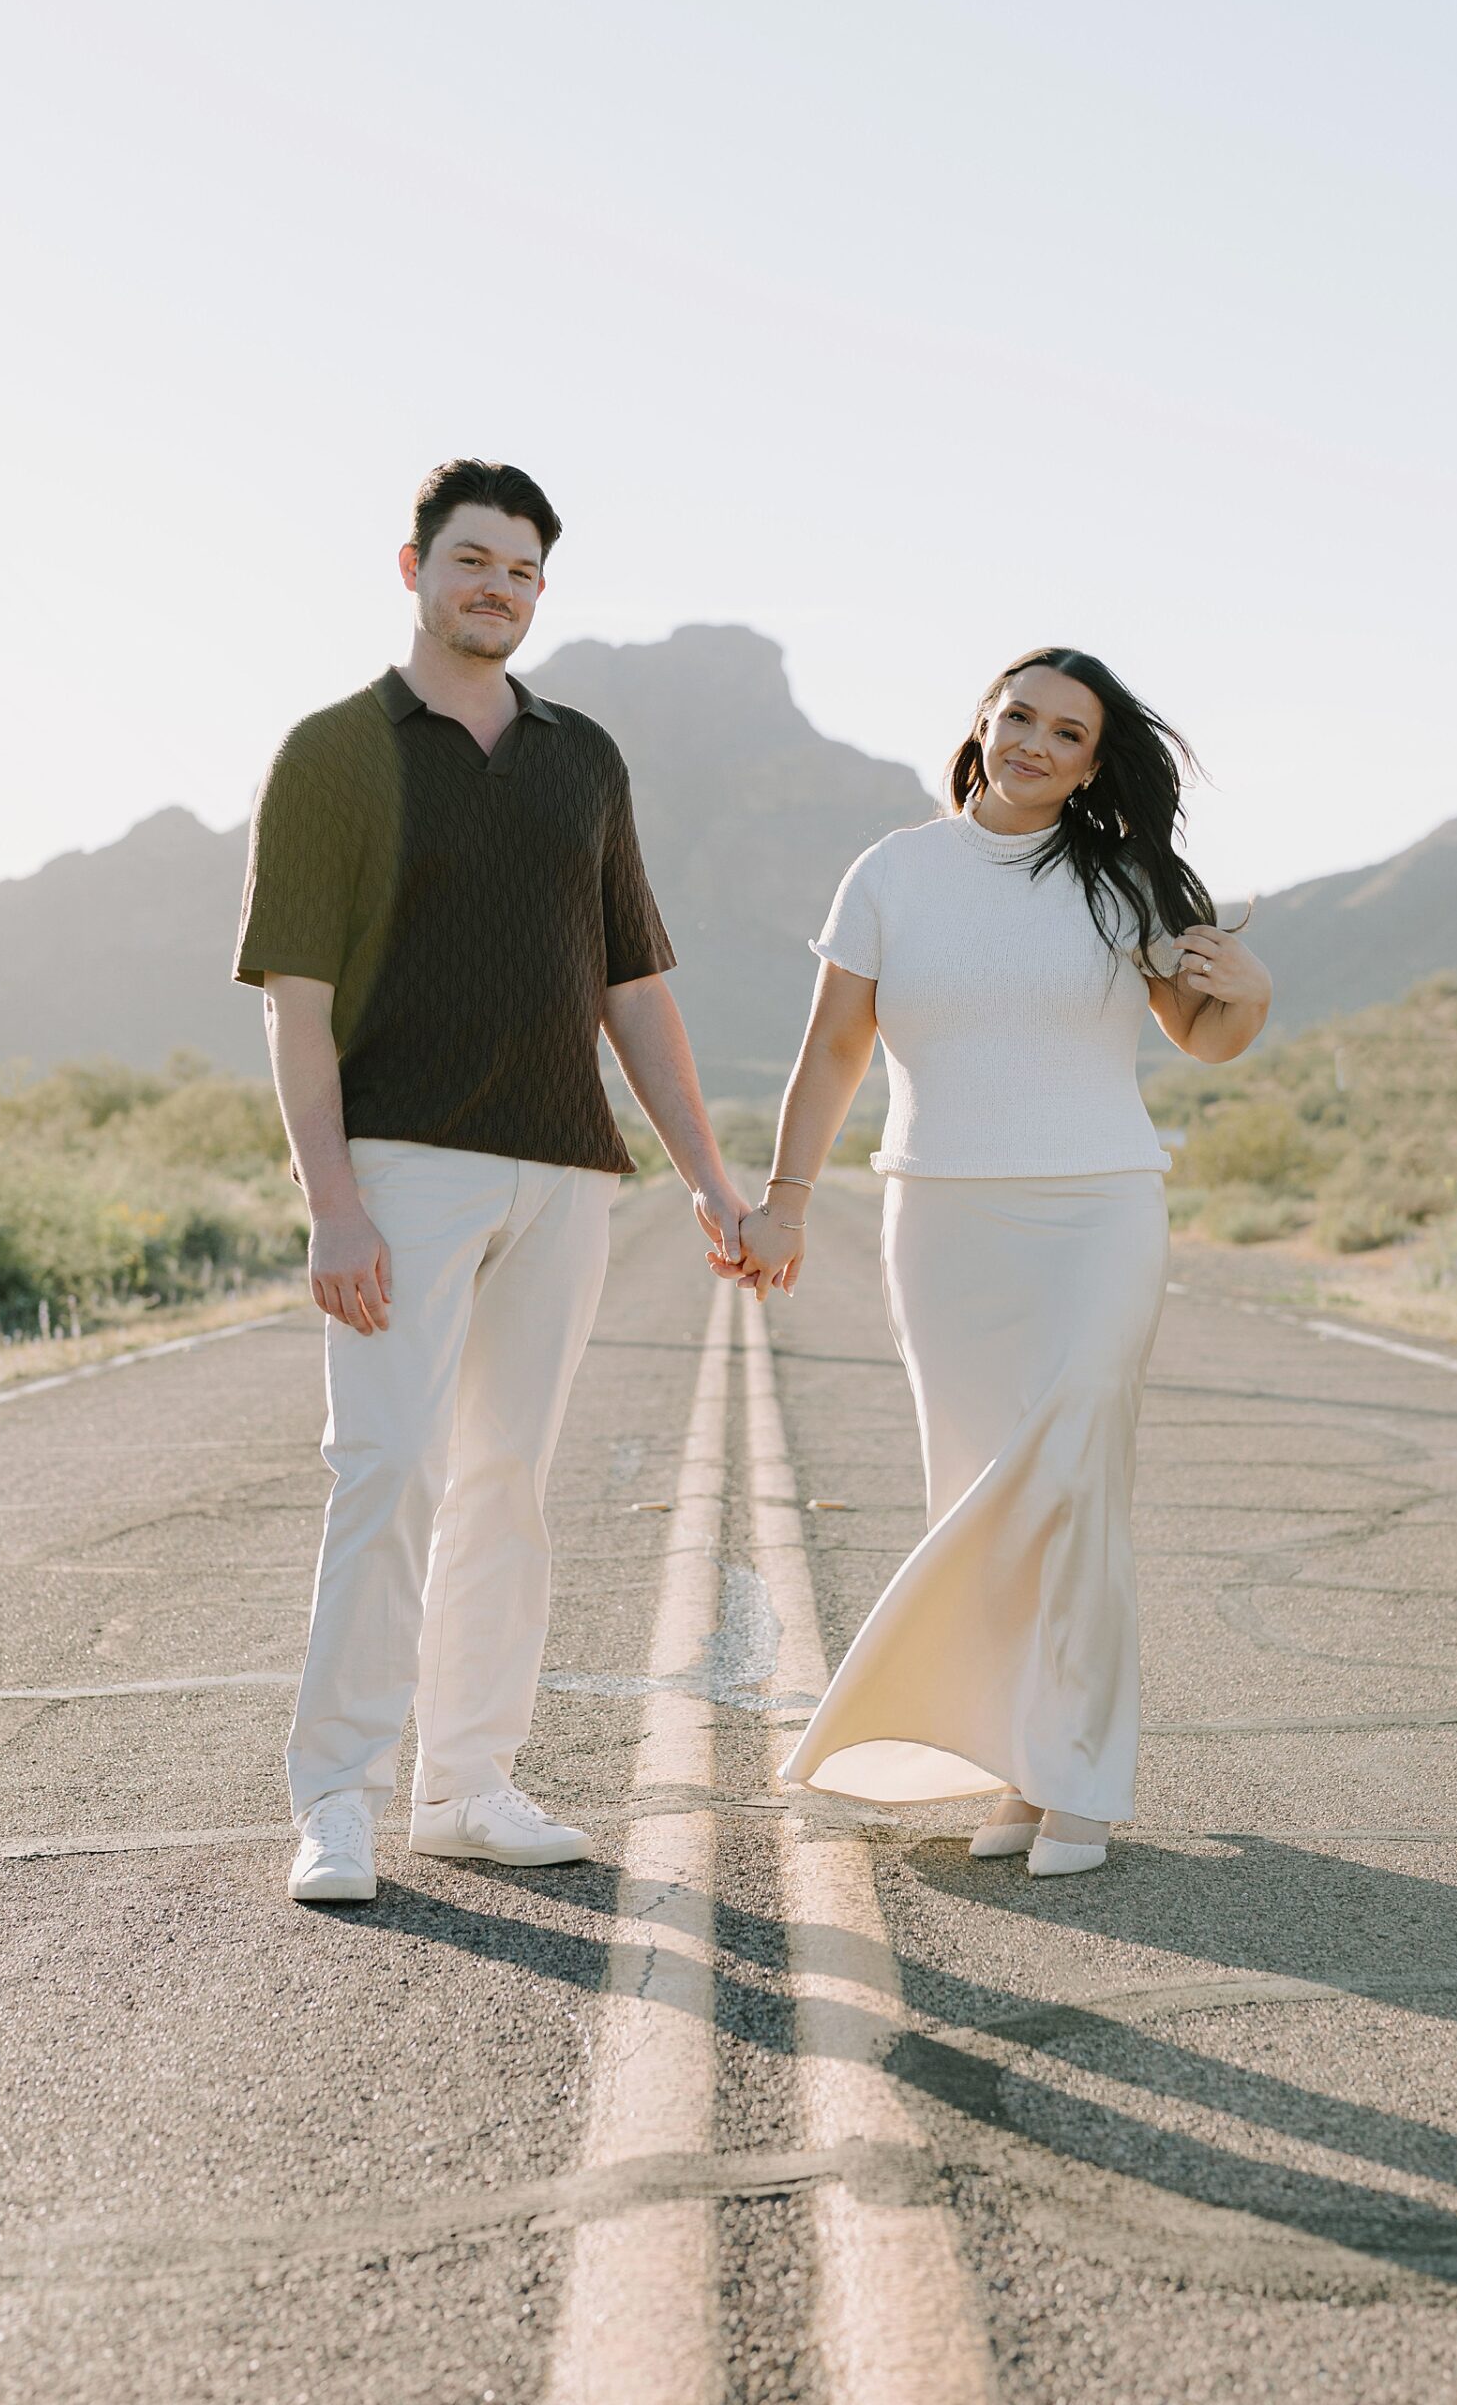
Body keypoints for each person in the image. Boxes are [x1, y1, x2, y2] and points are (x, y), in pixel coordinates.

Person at [235, 458, 749, 1905]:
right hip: (401, 1166)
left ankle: (465, 1783)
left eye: (523, 572)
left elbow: (635, 988)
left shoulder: (584, 757)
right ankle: (334, 1798)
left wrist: (708, 1178)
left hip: (565, 1172)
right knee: (387, 1472)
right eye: (473, 562)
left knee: (507, 1485)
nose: (498, 590)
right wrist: (333, 1200)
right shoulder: (336, 752)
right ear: (413, 569)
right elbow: (296, 997)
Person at [743, 648, 1270, 1876]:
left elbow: (1205, 1035)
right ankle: (1020, 1770)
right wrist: (785, 1202)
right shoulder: (891, 871)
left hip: (1100, 1208)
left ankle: (1079, 1772)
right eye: (1019, 714)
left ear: (1094, 762)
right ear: (983, 721)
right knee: (984, 1489)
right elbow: (833, 1052)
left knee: (1077, 1475)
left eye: (1066, 731)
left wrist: (1247, 992)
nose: (1034, 740)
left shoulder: (1122, 877)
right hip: (943, 1221)